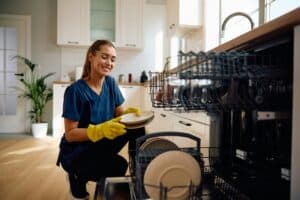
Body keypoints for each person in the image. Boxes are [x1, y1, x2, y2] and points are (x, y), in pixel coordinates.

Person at [56, 40, 144, 200]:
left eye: (113, 59)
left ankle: (140, 174)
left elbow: (119, 114)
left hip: (100, 143)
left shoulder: (110, 83)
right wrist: (99, 130)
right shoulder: (75, 91)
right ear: (91, 56)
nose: (109, 63)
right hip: (78, 151)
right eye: (105, 57)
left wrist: (129, 116)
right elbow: (70, 134)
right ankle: (76, 178)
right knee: (116, 167)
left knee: (137, 128)